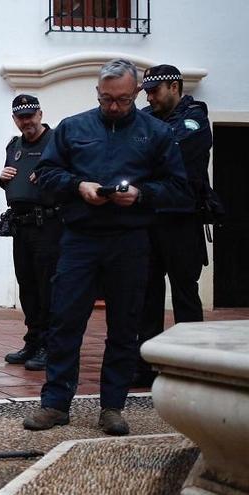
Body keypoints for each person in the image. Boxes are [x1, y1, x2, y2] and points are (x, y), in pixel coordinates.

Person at [24, 59, 192, 436]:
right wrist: (77, 186)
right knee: (65, 320)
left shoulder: (156, 133)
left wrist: (142, 194)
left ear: (135, 94)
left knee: (125, 325)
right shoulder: (72, 128)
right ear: (97, 93)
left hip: (130, 240)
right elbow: (47, 175)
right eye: (105, 99)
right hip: (80, 239)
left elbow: (180, 188)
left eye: (121, 100)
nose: (113, 107)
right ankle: (54, 404)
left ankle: (112, 407)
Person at [135, 64, 214, 387]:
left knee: (184, 293)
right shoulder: (147, 117)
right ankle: (147, 366)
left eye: (155, 91)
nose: (150, 97)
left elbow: (178, 153)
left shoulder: (195, 117)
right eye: (148, 92)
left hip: (182, 218)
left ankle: (191, 363)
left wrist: (144, 153)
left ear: (174, 87)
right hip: (151, 217)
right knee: (147, 296)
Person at [0, 95, 61, 372]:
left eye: (31, 115)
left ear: (40, 113)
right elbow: (12, 182)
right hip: (21, 226)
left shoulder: (57, 142)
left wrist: (50, 175)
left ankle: (50, 345)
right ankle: (33, 341)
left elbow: (69, 178)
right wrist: (2, 181)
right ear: (15, 120)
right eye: (21, 117)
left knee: (47, 287)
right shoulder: (14, 145)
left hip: (47, 225)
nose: (27, 122)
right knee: (28, 287)